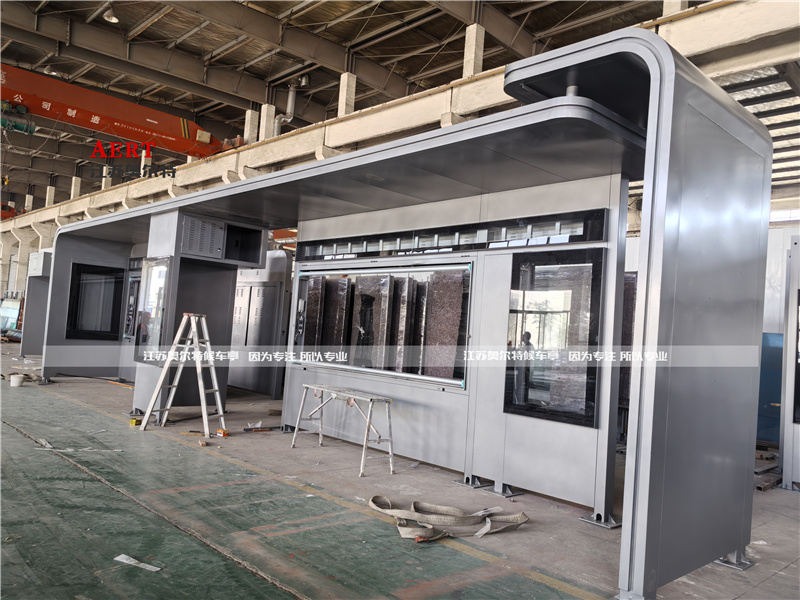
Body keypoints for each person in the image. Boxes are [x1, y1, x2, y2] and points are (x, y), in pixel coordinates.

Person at [513, 331, 533, 404]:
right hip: (524, 369)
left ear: (526, 337)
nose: (522, 337)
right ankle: (523, 400)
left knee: (523, 385)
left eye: (523, 336)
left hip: (525, 369)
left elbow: (524, 358)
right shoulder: (527, 346)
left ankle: (523, 401)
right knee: (522, 385)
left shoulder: (528, 346)